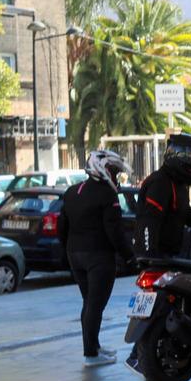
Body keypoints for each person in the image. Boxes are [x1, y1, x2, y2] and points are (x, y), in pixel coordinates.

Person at [126, 134, 191, 375]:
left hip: (165, 253)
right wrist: (150, 256)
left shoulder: (177, 185)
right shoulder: (161, 182)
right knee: (166, 304)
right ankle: (139, 355)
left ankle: (141, 355)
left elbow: (186, 215)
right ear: (180, 158)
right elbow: (149, 222)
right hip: (156, 255)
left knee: (170, 304)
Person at [57, 150, 135, 367]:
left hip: (76, 255)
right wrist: (129, 257)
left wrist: (67, 249)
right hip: (99, 257)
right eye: (114, 172)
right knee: (95, 305)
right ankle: (90, 354)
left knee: (89, 303)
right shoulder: (106, 195)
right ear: (103, 170)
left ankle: (93, 347)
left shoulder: (72, 192)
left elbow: (62, 225)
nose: (116, 177)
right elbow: (115, 231)